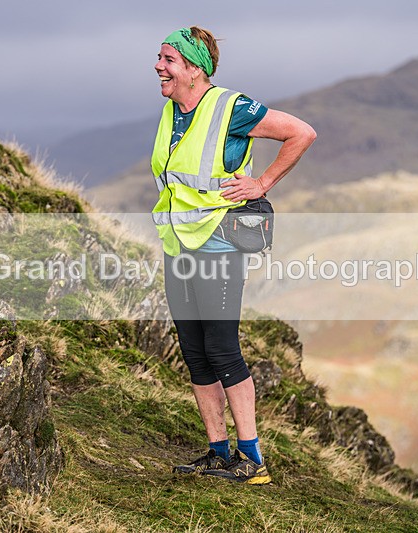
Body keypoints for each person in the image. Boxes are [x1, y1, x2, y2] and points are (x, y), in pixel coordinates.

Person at [151, 26, 315, 484]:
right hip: (179, 245)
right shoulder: (172, 111)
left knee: (223, 350)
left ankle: (252, 460)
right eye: (159, 58)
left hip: (219, 244)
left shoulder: (231, 108)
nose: (158, 66)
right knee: (195, 352)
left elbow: (301, 133)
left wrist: (261, 184)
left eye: (168, 59)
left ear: (193, 68)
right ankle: (217, 451)